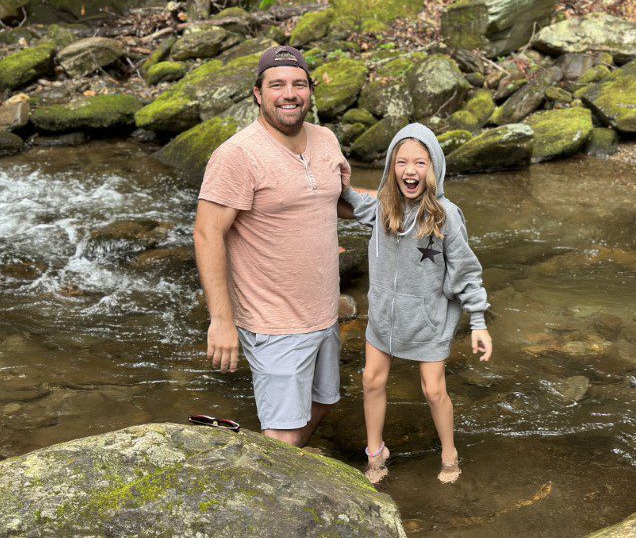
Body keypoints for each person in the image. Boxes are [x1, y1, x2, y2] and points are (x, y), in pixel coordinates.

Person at [193, 45, 352, 448]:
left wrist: (406, 206)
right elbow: (207, 233)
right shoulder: (237, 155)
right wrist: (221, 321)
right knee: (282, 436)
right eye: (277, 84)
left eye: (299, 84)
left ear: (310, 91)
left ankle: (293, 464)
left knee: (325, 401)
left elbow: (336, 199)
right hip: (272, 322)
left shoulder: (326, 139)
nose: (289, 93)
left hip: (323, 311)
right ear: (257, 93)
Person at [340, 123, 493, 484]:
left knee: (432, 389)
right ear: (391, 167)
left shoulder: (445, 214)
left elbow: (466, 270)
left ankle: (449, 453)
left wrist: (479, 322)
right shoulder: (382, 208)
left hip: (428, 317)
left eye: (420, 163)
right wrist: (334, 176)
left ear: (433, 167)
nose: (410, 171)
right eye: (402, 162)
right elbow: (343, 198)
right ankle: (375, 452)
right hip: (385, 316)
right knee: (371, 380)